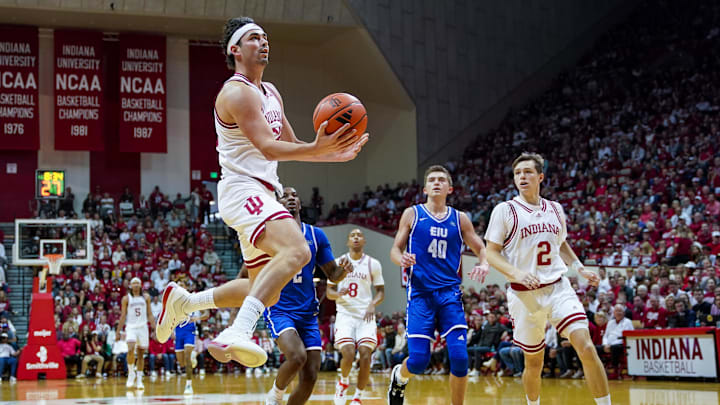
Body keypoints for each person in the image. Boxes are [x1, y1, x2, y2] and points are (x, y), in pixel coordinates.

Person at [155, 16, 368, 368]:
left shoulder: (271, 93)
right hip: (242, 189)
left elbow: (294, 145)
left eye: (265, 37)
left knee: (268, 289)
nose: (264, 42)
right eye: (254, 38)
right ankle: (238, 332)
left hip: (266, 192)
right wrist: (320, 149)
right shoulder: (236, 92)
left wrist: (335, 153)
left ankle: (186, 302)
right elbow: (269, 147)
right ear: (235, 50)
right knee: (298, 250)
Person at [484, 153, 610, 405]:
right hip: (524, 295)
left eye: (528, 172)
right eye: (518, 173)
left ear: (540, 176)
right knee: (533, 361)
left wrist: (579, 267)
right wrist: (517, 273)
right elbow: (490, 252)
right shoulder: (505, 210)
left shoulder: (555, 208)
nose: (522, 177)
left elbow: (560, 243)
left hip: (557, 288)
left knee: (585, 345)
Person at [387, 165, 489, 405]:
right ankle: (399, 378)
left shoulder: (459, 218)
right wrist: (400, 259)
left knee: (460, 358)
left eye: (441, 180)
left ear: (449, 188)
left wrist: (484, 263)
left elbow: (480, 247)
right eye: (431, 180)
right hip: (421, 295)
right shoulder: (412, 214)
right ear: (424, 188)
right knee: (419, 361)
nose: (436, 182)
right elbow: (395, 249)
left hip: (449, 294)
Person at [264, 186, 352, 405]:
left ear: (300, 204)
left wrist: (344, 270)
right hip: (279, 309)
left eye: (295, 195)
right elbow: (246, 273)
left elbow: (333, 274)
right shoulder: (268, 234)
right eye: (285, 196)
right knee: (297, 356)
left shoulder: (316, 235)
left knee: (311, 375)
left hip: (307, 313)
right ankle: (274, 397)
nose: (291, 198)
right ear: (277, 203)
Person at [328, 228, 385, 405]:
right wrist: (338, 294)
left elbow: (381, 292)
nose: (356, 237)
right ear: (348, 241)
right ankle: (343, 382)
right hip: (345, 314)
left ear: (364, 241)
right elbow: (329, 292)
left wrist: (372, 304)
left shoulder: (373, 264)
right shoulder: (338, 262)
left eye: (359, 235)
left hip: (365, 316)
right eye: (352, 235)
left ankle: (357, 397)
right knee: (348, 352)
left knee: (366, 355)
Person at [173, 278, 209, 396]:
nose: (180, 288)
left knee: (187, 356)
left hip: (190, 331)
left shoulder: (194, 298)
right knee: (182, 363)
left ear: (186, 288)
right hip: (178, 331)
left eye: (182, 286)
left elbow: (206, 314)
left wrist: (196, 319)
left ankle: (188, 385)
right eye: (177, 287)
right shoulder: (173, 301)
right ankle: (191, 360)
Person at [117, 277, 154, 390]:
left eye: (138, 283)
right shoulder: (126, 298)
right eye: (134, 283)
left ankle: (139, 379)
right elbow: (123, 316)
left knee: (141, 354)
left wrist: (155, 328)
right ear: (130, 286)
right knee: (130, 349)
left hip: (143, 327)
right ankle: (131, 373)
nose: (136, 285)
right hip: (131, 327)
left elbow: (150, 314)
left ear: (141, 285)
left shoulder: (146, 297)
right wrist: (118, 331)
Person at [600, 304, 634, 379]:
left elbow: (628, 337)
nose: (618, 313)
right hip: (608, 345)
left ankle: (614, 370)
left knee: (614, 348)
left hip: (621, 344)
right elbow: (605, 336)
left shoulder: (628, 322)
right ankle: (599, 370)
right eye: (616, 311)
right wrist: (605, 344)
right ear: (614, 313)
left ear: (623, 313)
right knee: (596, 348)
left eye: (620, 311)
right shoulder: (610, 322)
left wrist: (610, 345)